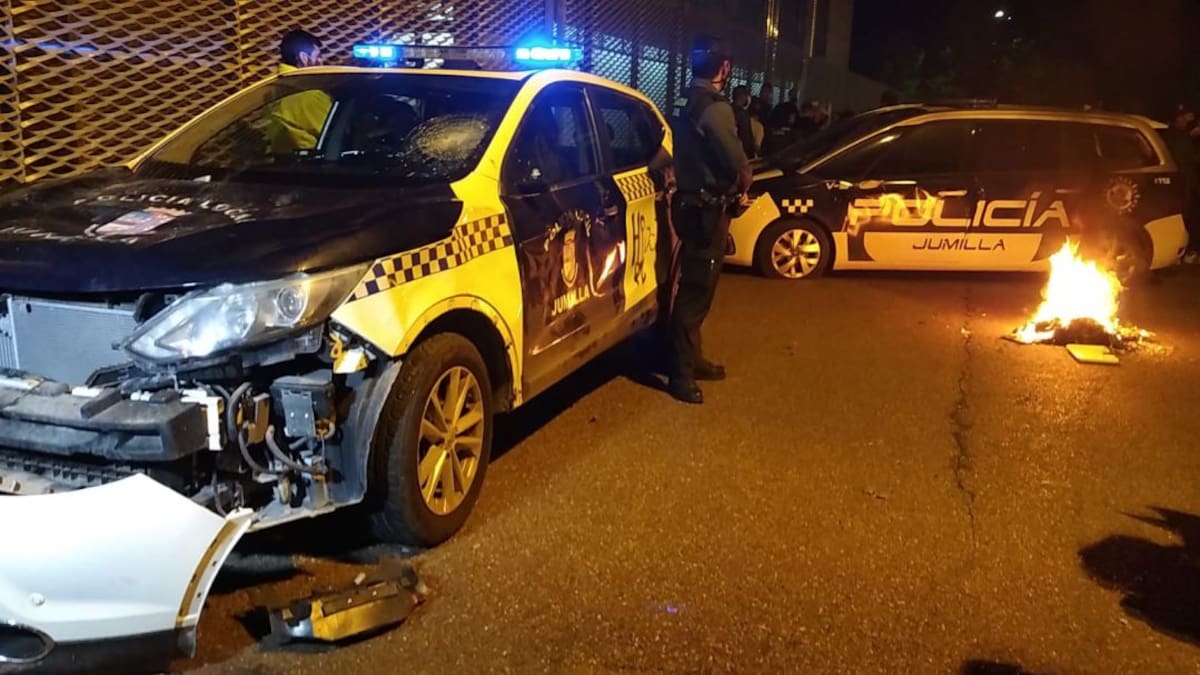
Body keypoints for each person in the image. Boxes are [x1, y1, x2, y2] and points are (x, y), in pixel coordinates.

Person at [666, 35, 751, 404]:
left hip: (689, 204)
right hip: (706, 210)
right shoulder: (716, 109)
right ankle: (681, 374)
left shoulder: (685, 100)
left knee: (695, 283)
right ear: (725, 68)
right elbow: (738, 163)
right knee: (697, 289)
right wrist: (743, 185)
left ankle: (692, 358)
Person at [268, 29, 334, 155]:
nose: (322, 62)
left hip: (281, 161)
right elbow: (333, 132)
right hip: (313, 164)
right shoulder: (309, 93)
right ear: (304, 57)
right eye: (318, 56)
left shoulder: (270, 86)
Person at [731, 85, 757, 158]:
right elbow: (745, 136)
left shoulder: (727, 109)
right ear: (743, 96)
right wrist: (750, 154)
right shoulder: (742, 114)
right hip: (741, 153)